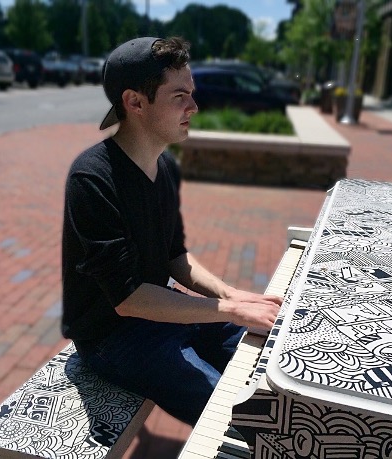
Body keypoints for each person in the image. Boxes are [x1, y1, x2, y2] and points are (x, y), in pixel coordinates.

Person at [60, 36, 283, 426]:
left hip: (160, 309)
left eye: (191, 94)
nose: (194, 107)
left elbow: (175, 257)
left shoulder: (164, 167)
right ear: (135, 103)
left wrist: (233, 296)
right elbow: (127, 299)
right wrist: (229, 309)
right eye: (180, 96)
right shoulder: (92, 177)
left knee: (270, 360)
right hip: (112, 337)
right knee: (236, 414)